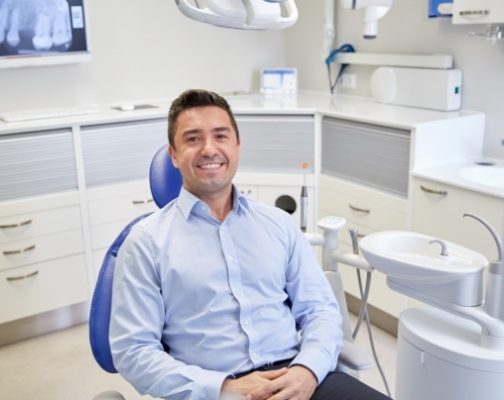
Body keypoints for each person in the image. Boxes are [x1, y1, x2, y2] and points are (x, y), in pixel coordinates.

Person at [109, 89, 391, 400]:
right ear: (173, 155)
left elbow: (320, 310)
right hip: (212, 389)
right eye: (192, 139)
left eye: (221, 136)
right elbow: (134, 351)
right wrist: (224, 389)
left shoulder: (278, 224)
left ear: (237, 146)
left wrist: (308, 370)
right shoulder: (146, 243)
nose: (209, 149)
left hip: (297, 377)